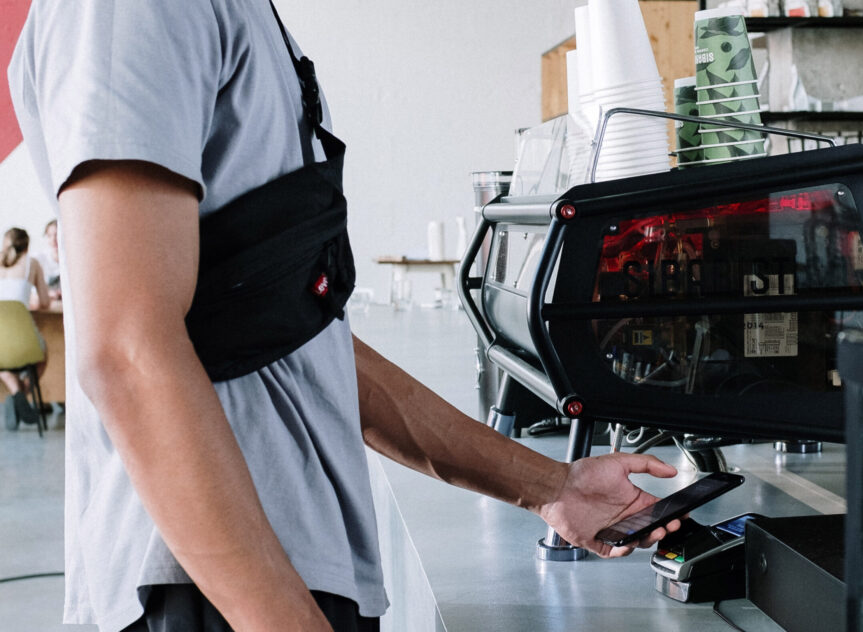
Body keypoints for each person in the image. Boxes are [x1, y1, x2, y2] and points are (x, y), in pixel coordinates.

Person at [8, 3, 683, 631]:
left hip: (285, 572)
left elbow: (300, 344)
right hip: (216, 585)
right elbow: (126, 353)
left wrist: (552, 487)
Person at [0, 227, 50, 428]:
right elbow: (45, 302)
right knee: (42, 356)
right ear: (27, 246)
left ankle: (15, 394)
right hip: (24, 341)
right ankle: (22, 395)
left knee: (3, 365)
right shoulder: (32, 264)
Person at [33, 219, 62, 301]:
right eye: (49, 236)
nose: (53, 239)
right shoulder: (39, 258)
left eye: (57, 235)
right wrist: (48, 293)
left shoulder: (72, 261)